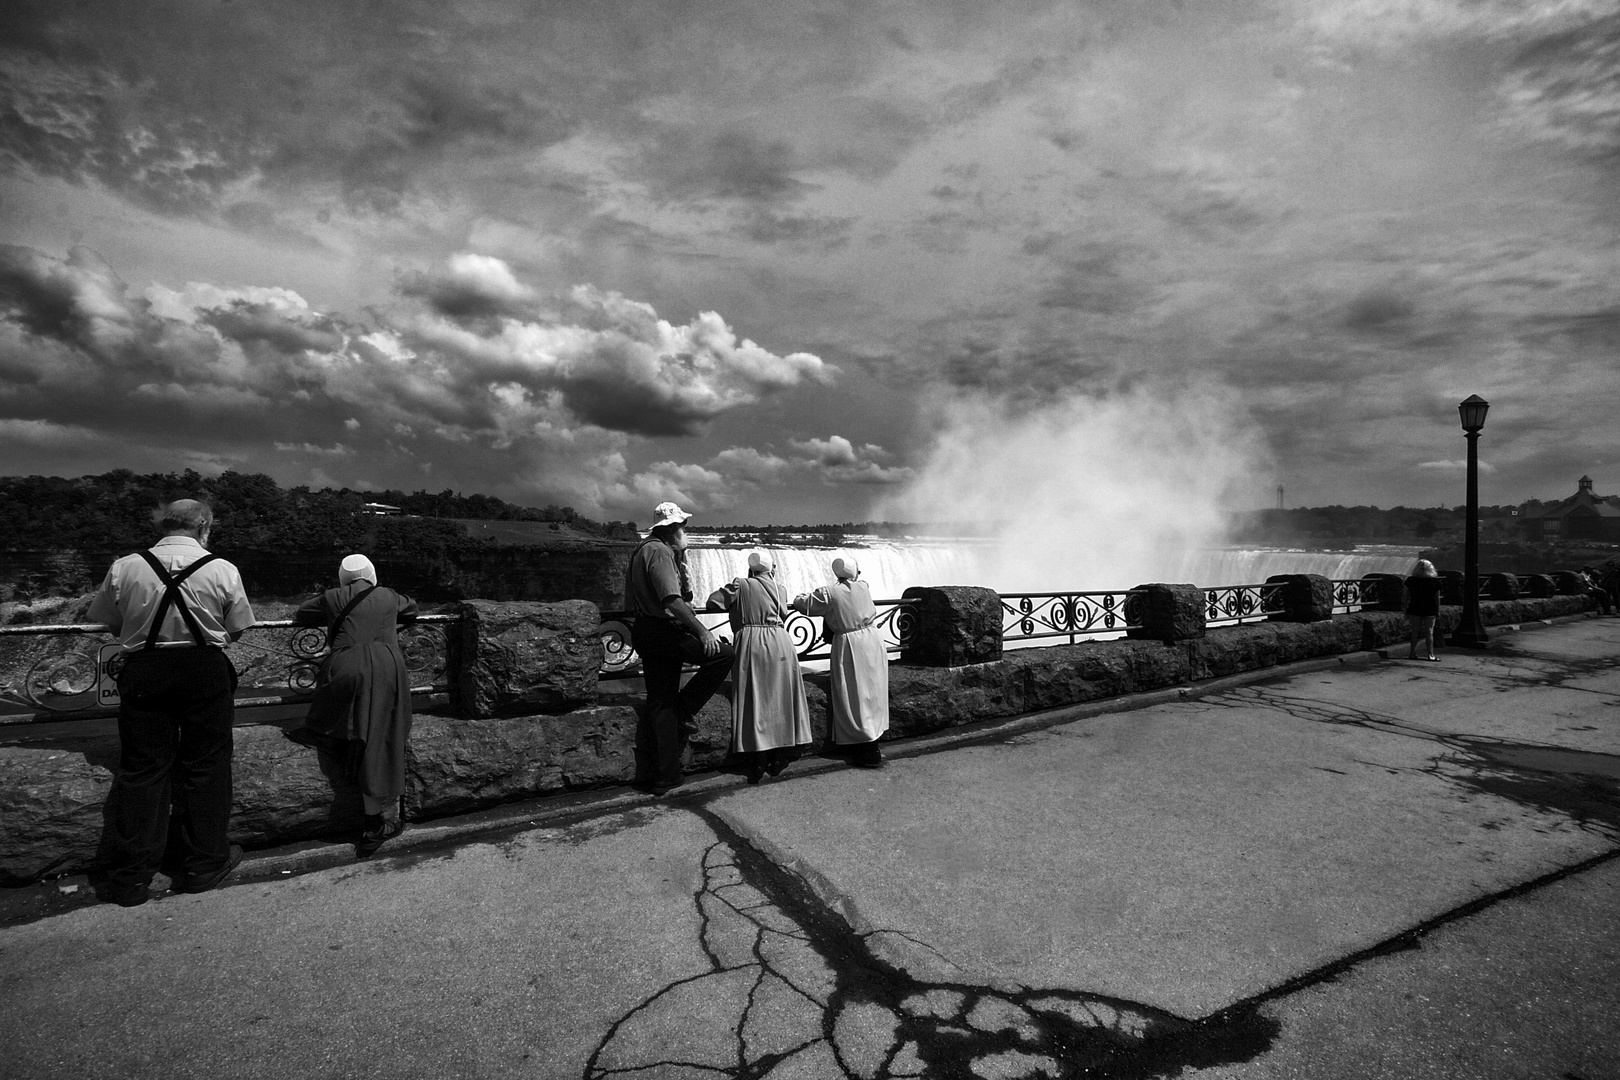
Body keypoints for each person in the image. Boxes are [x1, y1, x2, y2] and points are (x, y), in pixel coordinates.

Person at [86, 499, 255, 906]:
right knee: (208, 766)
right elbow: (239, 627)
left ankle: (131, 877)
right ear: (204, 527)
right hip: (202, 669)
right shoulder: (221, 569)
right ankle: (204, 863)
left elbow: (109, 621)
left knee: (142, 769)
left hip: (145, 669)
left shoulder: (125, 566)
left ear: (162, 525)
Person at [291, 554, 418, 857]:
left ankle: (340, 745)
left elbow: (303, 611)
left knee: (346, 721)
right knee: (379, 735)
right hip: (387, 668)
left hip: (344, 665)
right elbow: (412, 608)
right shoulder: (388, 595)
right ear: (372, 574)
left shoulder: (332, 597)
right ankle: (374, 824)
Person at [624, 502, 735, 795]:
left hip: (645, 629)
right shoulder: (660, 552)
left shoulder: (642, 550)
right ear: (672, 529)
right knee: (724, 656)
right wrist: (702, 631)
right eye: (683, 527)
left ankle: (666, 775)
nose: (686, 532)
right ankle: (684, 709)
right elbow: (671, 601)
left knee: (660, 701)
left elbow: (632, 598)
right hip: (663, 631)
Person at [706, 550, 812, 783]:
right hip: (780, 641)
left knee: (754, 699)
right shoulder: (780, 588)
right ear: (770, 569)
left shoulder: (740, 585)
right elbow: (783, 609)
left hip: (752, 642)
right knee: (780, 699)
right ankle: (778, 757)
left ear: (750, 569)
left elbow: (712, 602)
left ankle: (758, 759)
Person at [792, 556, 888, 768]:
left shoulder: (829, 593)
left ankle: (863, 747)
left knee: (853, 694)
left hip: (850, 644)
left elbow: (804, 604)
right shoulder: (864, 586)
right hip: (872, 639)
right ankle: (873, 741)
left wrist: (799, 597)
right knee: (872, 691)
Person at [1404, 559, 1444, 661]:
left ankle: (1412, 653)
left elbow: (1405, 596)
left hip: (1415, 607)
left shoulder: (1411, 580)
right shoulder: (1435, 581)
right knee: (1429, 632)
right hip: (1430, 608)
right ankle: (1430, 655)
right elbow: (1437, 598)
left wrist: (1405, 609)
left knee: (1415, 631)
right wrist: (1438, 611)